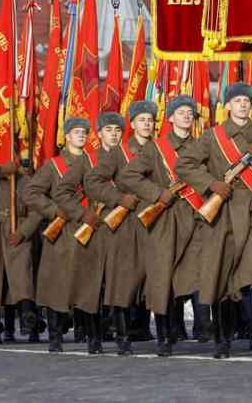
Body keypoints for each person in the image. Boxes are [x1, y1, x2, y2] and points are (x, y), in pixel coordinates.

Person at [175, 82, 252, 359]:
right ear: (226, 105)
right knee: (222, 275)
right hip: (222, 211)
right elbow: (184, 165)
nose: (241, 104)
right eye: (236, 100)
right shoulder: (213, 137)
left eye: (246, 100)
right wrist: (212, 185)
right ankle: (223, 339)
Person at [117, 94, 212, 356]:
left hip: (195, 216)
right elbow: (128, 175)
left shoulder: (201, 145)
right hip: (165, 217)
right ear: (170, 118)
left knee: (196, 273)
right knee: (161, 277)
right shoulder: (155, 148)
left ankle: (206, 327)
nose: (186, 115)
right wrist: (158, 193)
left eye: (189, 112)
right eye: (180, 112)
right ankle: (164, 335)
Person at [85, 101, 156, 355]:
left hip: (156, 219)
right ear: (134, 124)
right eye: (142, 119)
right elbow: (92, 182)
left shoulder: (161, 150)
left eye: (151, 120)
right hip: (125, 223)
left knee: (155, 277)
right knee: (122, 279)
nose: (147, 124)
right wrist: (117, 199)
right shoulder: (119, 153)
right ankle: (122, 334)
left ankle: (162, 332)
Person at [54, 112, 126, 354]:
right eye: (109, 130)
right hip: (95, 228)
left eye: (118, 130)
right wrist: (81, 214)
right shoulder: (88, 160)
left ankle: (123, 337)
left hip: (123, 228)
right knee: (92, 284)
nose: (114, 134)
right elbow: (62, 191)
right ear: (99, 133)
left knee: (119, 283)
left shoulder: (130, 158)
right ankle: (93, 337)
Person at [20, 117, 92, 352]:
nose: (81, 135)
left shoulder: (93, 163)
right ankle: (55, 335)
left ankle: (88, 333)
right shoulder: (54, 165)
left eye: (84, 132)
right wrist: (53, 210)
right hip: (61, 229)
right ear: (67, 137)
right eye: (76, 132)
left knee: (87, 282)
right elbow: (30, 192)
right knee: (56, 284)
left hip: (88, 227)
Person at [0, 157, 39, 344]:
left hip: (18, 228)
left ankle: (28, 318)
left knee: (22, 276)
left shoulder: (27, 182)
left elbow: (37, 210)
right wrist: (0, 168)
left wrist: (23, 231)